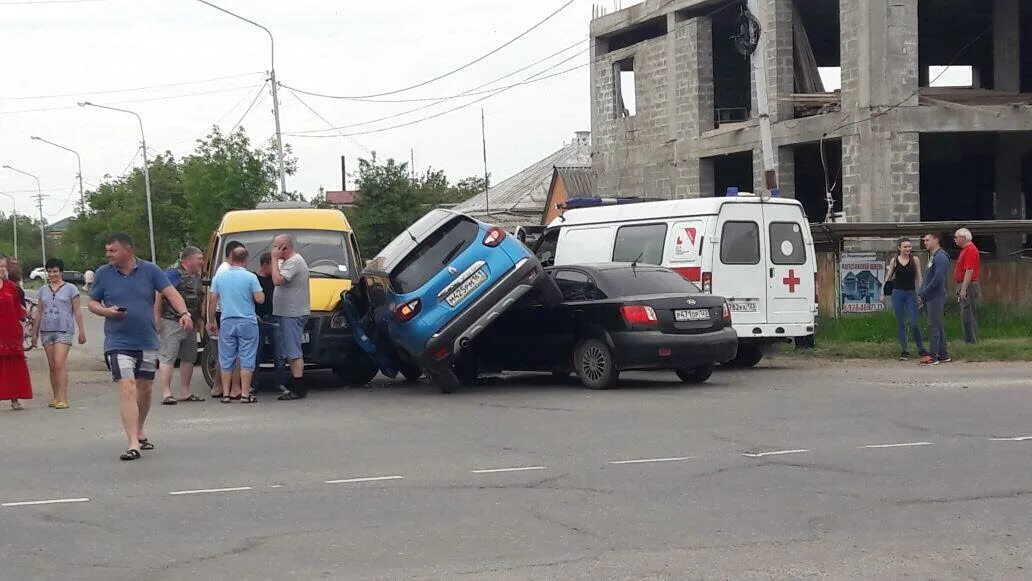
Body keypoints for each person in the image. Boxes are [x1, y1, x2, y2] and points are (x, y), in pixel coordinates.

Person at [88, 233, 193, 461]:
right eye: (107, 251)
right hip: (117, 341)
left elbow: (171, 293)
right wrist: (106, 311)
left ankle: (139, 429)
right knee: (127, 386)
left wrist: (184, 313)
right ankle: (132, 443)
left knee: (144, 389)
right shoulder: (103, 274)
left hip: (146, 340)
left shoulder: (150, 270)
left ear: (127, 250)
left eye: (112, 250)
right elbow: (92, 303)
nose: (108, 255)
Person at [207, 247, 264, 403]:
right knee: (247, 357)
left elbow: (213, 300)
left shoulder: (220, 277)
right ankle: (245, 394)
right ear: (246, 260)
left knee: (226, 358)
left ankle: (226, 394)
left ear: (230, 258)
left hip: (227, 321)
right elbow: (260, 299)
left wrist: (211, 321)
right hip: (247, 321)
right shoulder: (251, 277)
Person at [30, 258, 87, 409]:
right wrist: (34, 333)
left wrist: (82, 331)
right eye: (49, 272)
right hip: (47, 330)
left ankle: (63, 397)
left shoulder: (71, 289)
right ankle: (55, 396)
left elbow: (77, 311)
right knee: (52, 365)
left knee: (59, 363)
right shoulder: (43, 290)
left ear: (61, 272)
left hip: (64, 330)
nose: (52, 274)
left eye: (55, 271)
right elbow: (39, 312)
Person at [156, 246, 205, 405]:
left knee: (189, 357)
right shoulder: (172, 273)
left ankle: (185, 391)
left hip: (191, 322)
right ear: (188, 259)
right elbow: (159, 294)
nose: (202, 262)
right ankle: (166, 392)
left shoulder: (197, 276)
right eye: (199, 258)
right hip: (172, 320)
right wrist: (157, 317)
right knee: (168, 356)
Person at [271, 234, 310, 400]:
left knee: (293, 351)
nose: (273, 250)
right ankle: (294, 381)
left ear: (284, 248)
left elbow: (278, 280)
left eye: (275, 247)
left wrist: (273, 260)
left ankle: (298, 387)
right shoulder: (290, 262)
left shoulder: (294, 261)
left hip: (292, 313)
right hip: (287, 312)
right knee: (290, 348)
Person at [211, 240, 245, 399]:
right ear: (232, 254)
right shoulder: (226, 270)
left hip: (223, 313)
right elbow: (214, 297)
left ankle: (220, 387)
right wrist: (211, 320)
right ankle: (231, 387)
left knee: (225, 353)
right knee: (232, 353)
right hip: (226, 313)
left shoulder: (223, 270)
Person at [885, 238, 926, 361]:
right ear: (899, 248)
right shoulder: (894, 261)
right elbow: (889, 276)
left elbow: (919, 277)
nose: (908, 249)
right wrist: (884, 292)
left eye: (909, 246)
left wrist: (922, 292)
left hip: (910, 293)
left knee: (914, 323)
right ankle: (904, 351)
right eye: (905, 247)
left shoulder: (915, 260)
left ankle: (921, 349)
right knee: (901, 323)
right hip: (897, 294)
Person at [0, 255, 32, 411]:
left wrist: (25, 316)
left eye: (3, 267)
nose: (1, 270)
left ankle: (14, 398)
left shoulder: (11, 286)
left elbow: (18, 309)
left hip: (11, 331)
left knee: (13, 365)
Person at [919, 233, 951, 366]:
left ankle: (933, 356)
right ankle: (943, 354)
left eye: (927, 240)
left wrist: (925, 291)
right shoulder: (933, 256)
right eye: (924, 240)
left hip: (936, 296)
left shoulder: (941, 257)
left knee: (933, 326)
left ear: (936, 240)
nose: (925, 242)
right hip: (930, 296)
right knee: (938, 325)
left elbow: (938, 278)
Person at [253, 252, 276, 392]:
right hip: (258, 319)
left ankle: (280, 382)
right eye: (273, 265)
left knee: (279, 353)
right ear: (265, 264)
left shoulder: (275, 279)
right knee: (256, 353)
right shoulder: (253, 279)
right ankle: (253, 384)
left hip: (274, 318)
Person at [954, 228, 981, 344]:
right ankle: (969, 340)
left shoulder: (970, 250)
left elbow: (969, 270)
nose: (954, 240)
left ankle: (972, 341)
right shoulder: (965, 250)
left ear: (963, 238)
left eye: (956, 237)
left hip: (969, 285)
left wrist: (964, 289)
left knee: (968, 313)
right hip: (964, 283)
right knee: (965, 314)